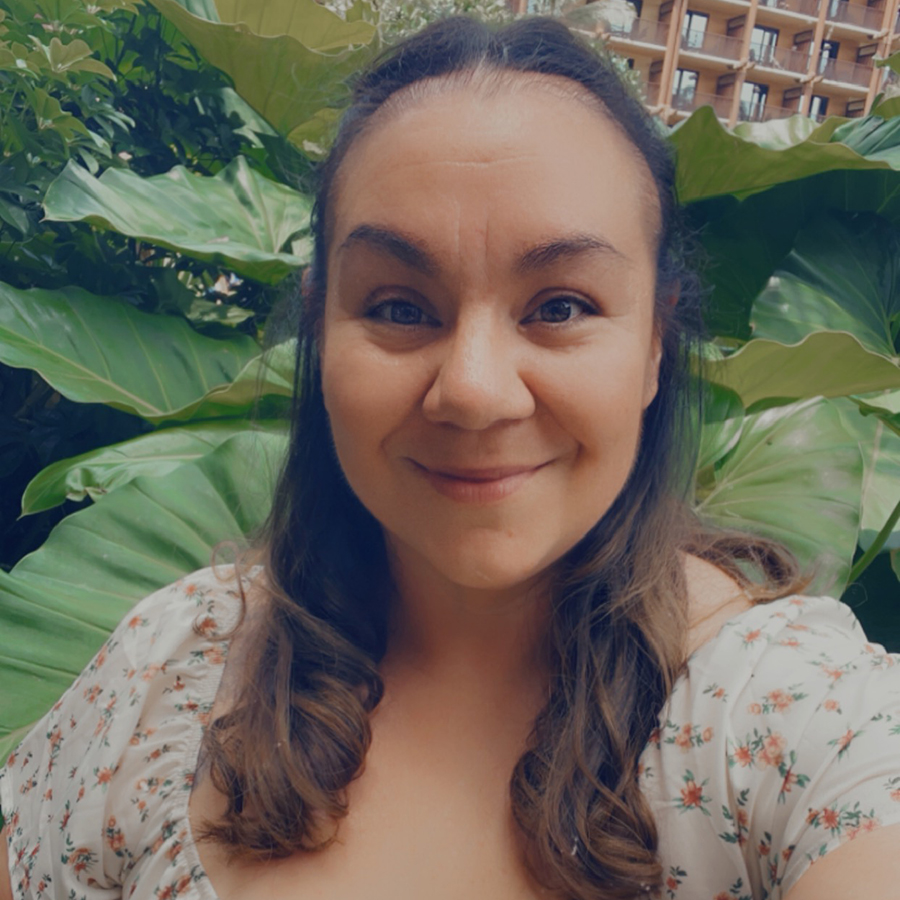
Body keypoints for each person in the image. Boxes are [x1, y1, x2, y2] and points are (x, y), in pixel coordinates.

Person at [2, 15, 900, 900]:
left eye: (560, 307)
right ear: (321, 327)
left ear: (656, 343)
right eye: (398, 306)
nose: (473, 391)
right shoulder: (169, 670)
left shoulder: (799, 720)